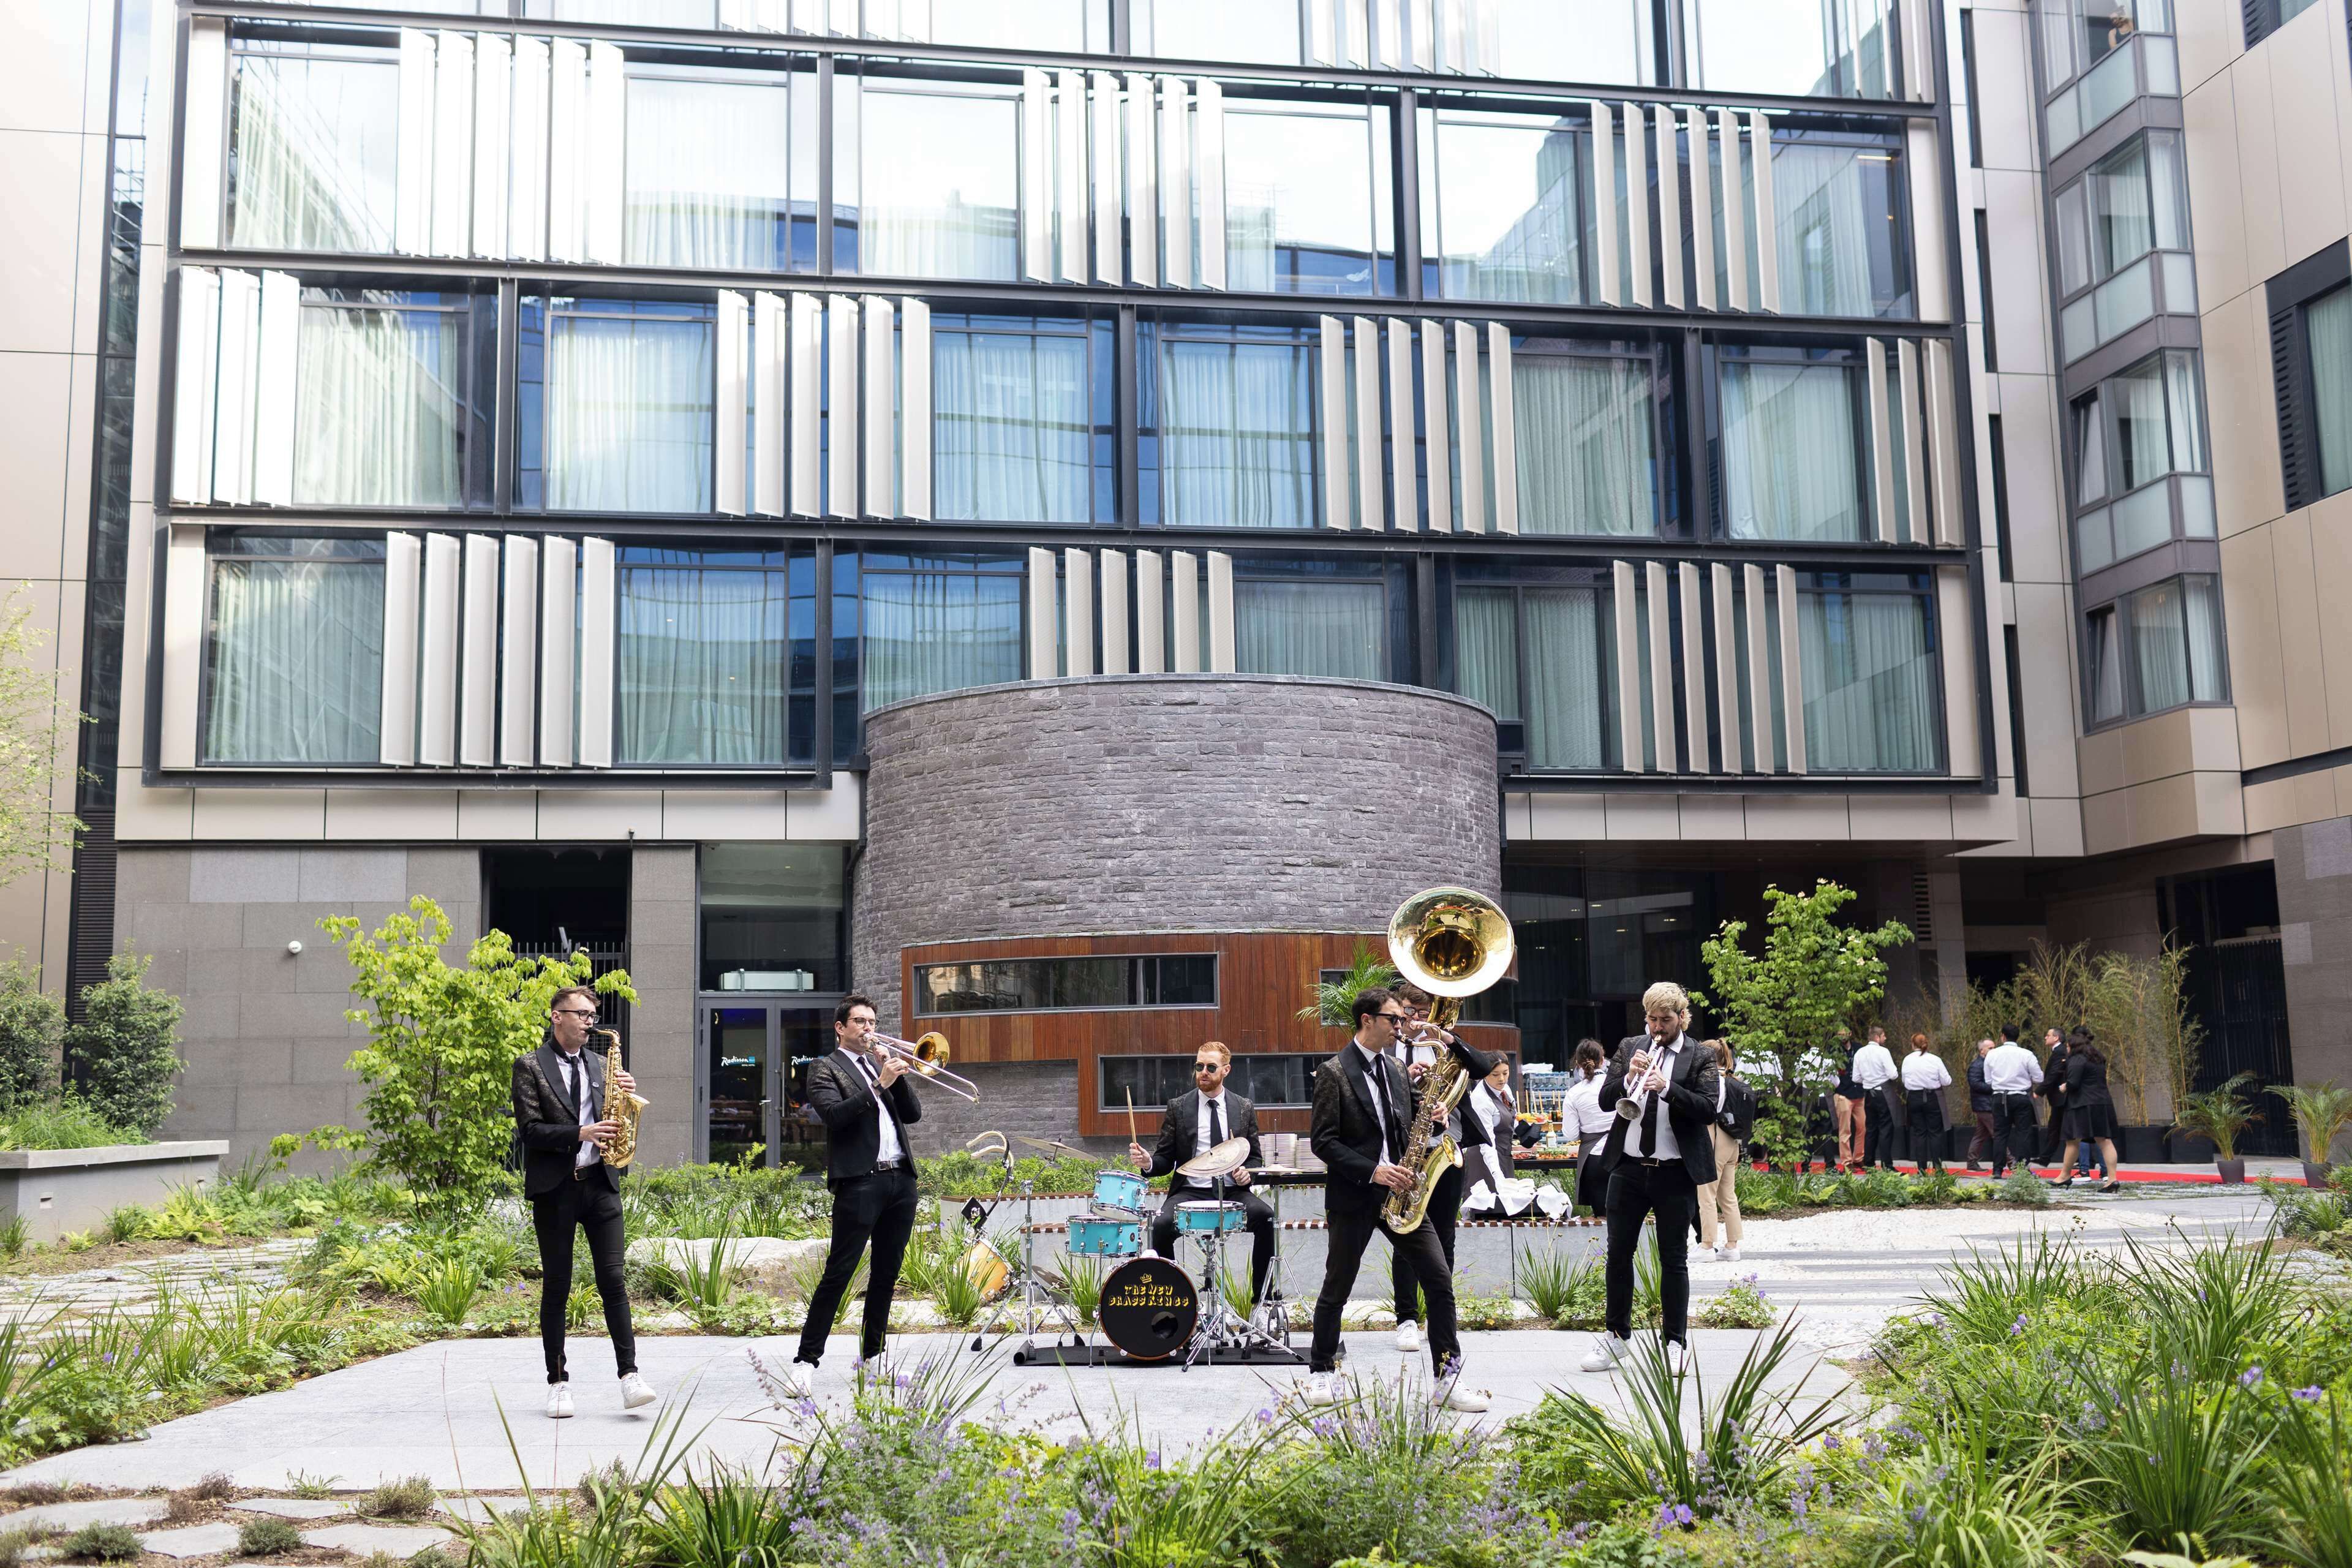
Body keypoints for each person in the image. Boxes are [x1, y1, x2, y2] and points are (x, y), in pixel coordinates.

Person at [1302, 988, 1492, 1411]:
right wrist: (1374, 1170)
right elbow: (1323, 1143)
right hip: (1356, 1196)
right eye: (1394, 1019)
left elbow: (1401, 1129)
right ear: (1367, 1020)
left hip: (1403, 1196)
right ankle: (1320, 1372)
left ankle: (1447, 1380)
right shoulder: (1333, 1073)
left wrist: (1432, 1116)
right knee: (1338, 1287)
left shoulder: (1395, 1069)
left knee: (1440, 1283)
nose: (1401, 1027)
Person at [510, 984, 657, 1419]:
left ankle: (630, 1376)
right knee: (557, 1284)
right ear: (556, 1016)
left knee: (614, 1279)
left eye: (592, 1015)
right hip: (556, 1188)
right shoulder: (530, 1066)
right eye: (581, 1014)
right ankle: (557, 1382)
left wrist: (626, 1095)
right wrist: (581, 1133)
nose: (589, 1022)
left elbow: (613, 1112)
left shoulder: (598, 1063)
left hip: (600, 1184)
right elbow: (530, 1132)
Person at [777, 994, 924, 1397]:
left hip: (900, 1182)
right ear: (840, 1028)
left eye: (872, 1021)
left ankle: (874, 1361)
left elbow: (912, 1115)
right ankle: (805, 1365)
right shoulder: (825, 1068)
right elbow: (835, 1116)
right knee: (838, 1276)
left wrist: (899, 1075)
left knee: (886, 1276)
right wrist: (879, 1084)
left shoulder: (881, 1067)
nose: (868, 1028)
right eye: (859, 1021)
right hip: (860, 1182)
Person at [1578, 983, 1721, 1378]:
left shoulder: (1701, 1055)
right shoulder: (1629, 1047)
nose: (1657, 1027)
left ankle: (1674, 1343)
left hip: (1675, 1172)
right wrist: (1629, 1079)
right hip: (1628, 1168)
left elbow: (1709, 1110)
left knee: (1673, 1260)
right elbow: (1607, 1100)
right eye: (1651, 1019)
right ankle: (1617, 1337)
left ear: (1682, 1017)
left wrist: (1668, 1088)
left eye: (1665, 1020)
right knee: (1618, 1255)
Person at [1387, 987, 1506, 1356]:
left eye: (1425, 1011)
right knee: (1405, 1234)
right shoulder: (1387, 1048)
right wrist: (1404, 1079)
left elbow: (1485, 1068)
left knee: (1445, 1236)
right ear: (1399, 1010)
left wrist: (1448, 1038)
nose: (1417, 1018)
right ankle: (1406, 1318)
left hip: (1446, 1147)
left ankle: (1440, 1317)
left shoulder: (1446, 1043)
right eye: (1410, 1010)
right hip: (1406, 1151)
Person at [1128, 1041, 1276, 1309]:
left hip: (1233, 1191)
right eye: (1199, 1066)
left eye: (1210, 1067)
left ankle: (1262, 1303)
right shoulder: (1178, 1107)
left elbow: (1254, 1157)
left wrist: (1247, 1175)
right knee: (1159, 1227)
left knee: (1267, 1218)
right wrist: (1148, 1161)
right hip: (1190, 1191)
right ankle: (1172, 1305)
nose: (1203, 1072)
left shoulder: (1243, 1107)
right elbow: (1165, 1158)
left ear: (1226, 1070)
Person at [1692, 1039, 1750, 1262]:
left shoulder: (1710, 1080)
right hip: (1731, 1139)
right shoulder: (1732, 1079)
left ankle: (1707, 1245)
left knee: (1707, 1192)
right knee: (1728, 1194)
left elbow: (1709, 1110)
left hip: (1713, 1136)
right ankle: (1732, 1245)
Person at [2058, 1028, 2124, 1192]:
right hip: (2103, 1102)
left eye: (2067, 1046)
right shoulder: (2098, 1058)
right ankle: (2112, 1179)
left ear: (2074, 1046)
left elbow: (2073, 1083)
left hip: (2083, 1104)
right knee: (2105, 1141)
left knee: (2072, 1140)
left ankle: (2065, 1176)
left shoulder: (2077, 1059)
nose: (2066, 1049)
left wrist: (2064, 1087)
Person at [1561, 1039, 1615, 1214]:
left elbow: (1570, 1135)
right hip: (1624, 1154)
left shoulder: (1574, 1093)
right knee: (1629, 1217)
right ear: (1603, 1059)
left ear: (1577, 1063)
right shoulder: (1618, 1085)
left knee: (1602, 1217)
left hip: (1594, 1159)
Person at [1982, 1030, 2045, 1177]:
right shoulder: (2026, 1054)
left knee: (2000, 1135)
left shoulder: (1992, 1054)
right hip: (2021, 1097)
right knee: (2023, 1133)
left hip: (1999, 1097)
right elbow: (2039, 1078)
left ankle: (1997, 1170)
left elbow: (1988, 1080)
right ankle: (2022, 1170)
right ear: (2018, 1037)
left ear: (2003, 1036)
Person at [1461, 1058, 1523, 1195]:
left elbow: (1513, 1114)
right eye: (1495, 1075)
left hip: (1504, 1154)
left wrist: (1524, 1130)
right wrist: (1497, 1175)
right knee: (1486, 1207)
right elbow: (1487, 1142)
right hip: (1484, 1157)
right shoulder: (1481, 1099)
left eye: (1505, 1073)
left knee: (1509, 1204)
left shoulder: (1505, 1089)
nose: (1502, 1079)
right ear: (1484, 1074)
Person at [1852, 1026, 1902, 1170]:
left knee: (1871, 1128)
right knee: (1886, 1128)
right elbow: (1893, 1075)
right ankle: (1887, 1165)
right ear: (1877, 1037)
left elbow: (1856, 1078)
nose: (1885, 1038)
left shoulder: (1859, 1053)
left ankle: (1869, 1163)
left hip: (1868, 1093)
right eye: (1884, 1036)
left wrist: (1869, 1081)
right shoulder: (1883, 1052)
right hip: (1882, 1092)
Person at [1899, 1034, 1951, 1174]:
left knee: (1919, 1133)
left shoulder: (1907, 1060)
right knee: (1935, 1133)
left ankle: (1921, 1169)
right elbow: (1947, 1081)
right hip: (1932, 1096)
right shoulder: (1935, 1059)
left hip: (1914, 1098)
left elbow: (1904, 1081)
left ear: (1913, 1044)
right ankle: (1938, 1168)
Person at [1831, 1026, 1866, 1171]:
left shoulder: (1859, 1048)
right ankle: (1847, 1162)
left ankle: (1859, 1158)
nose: (1843, 1036)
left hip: (1859, 1093)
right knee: (1845, 1130)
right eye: (1840, 1034)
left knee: (1862, 1128)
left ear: (1850, 1033)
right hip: (1843, 1094)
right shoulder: (1834, 1051)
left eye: (1845, 1033)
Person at [2036, 1027, 2070, 1169]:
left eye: (2048, 1035)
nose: (2045, 1037)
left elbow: (2054, 1075)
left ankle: (2045, 1158)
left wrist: (2039, 1091)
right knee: (2054, 1128)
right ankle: (2045, 1158)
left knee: (2059, 1128)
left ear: (2056, 1038)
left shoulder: (2061, 1052)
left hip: (2062, 1097)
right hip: (2058, 1098)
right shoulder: (2057, 1052)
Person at [1964, 1037, 1998, 1170]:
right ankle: (2012, 1162)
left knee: (1980, 1134)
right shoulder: (1977, 1065)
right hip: (1983, 1105)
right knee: (1997, 1133)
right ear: (1982, 1050)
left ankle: (1972, 1162)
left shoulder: (1990, 1063)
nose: (1994, 1050)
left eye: (1994, 1047)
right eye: (1991, 1048)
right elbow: (1975, 1084)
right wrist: (1995, 1087)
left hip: (1987, 1104)